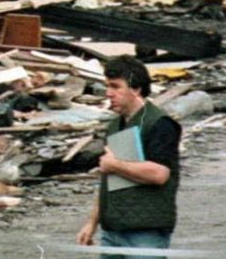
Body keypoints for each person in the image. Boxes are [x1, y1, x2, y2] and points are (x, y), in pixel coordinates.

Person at [76, 56, 182, 259]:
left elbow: (159, 174)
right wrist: (92, 223)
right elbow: (109, 180)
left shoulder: (160, 124)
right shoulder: (115, 126)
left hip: (145, 232)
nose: (108, 93)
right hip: (113, 231)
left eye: (115, 87)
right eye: (107, 86)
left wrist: (114, 164)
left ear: (136, 89)